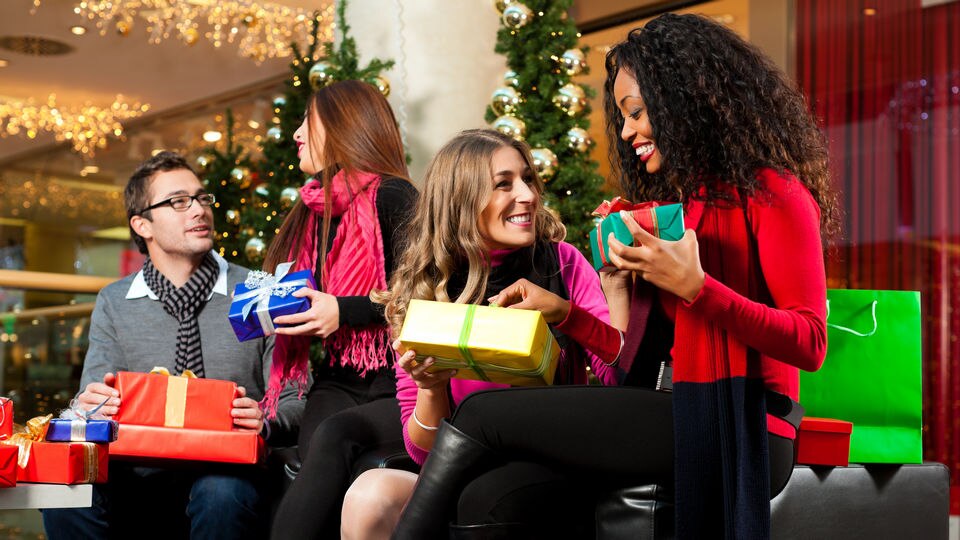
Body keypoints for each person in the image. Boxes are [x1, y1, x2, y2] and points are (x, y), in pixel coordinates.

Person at [389, 13, 836, 539]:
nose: (627, 132)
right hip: (682, 407)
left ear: (684, 103)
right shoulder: (679, 212)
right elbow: (633, 368)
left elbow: (810, 342)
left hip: (749, 425)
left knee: (485, 413)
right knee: (486, 496)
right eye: (623, 117)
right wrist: (575, 312)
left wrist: (697, 288)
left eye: (637, 113)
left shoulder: (775, 192)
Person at [340, 128, 624, 539]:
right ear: (461, 201)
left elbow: (619, 377)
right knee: (369, 495)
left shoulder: (561, 262)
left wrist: (565, 313)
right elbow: (423, 453)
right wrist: (431, 389)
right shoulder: (425, 287)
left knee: (481, 494)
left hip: (551, 463)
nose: (527, 195)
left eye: (527, 179)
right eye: (503, 185)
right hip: (463, 468)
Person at [42, 151, 305, 540]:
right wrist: (91, 403)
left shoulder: (260, 291)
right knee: (65, 490)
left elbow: (299, 398)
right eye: (179, 202)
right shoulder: (114, 301)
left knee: (221, 492)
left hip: (229, 471)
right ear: (142, 224)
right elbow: (93, 399)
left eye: (201, 198)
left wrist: (266, 421)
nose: (198, 210)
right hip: (137, 468)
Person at [267, 79, 419, 540]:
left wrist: (344, 309)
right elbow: (298, 285)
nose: (296, 134)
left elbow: (424, 296)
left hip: (402, 379)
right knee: (316, 458)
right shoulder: (312, 208)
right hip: (338, 378)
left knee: (334, 436)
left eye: (306, 122)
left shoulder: (396, 197)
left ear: (343, 128)